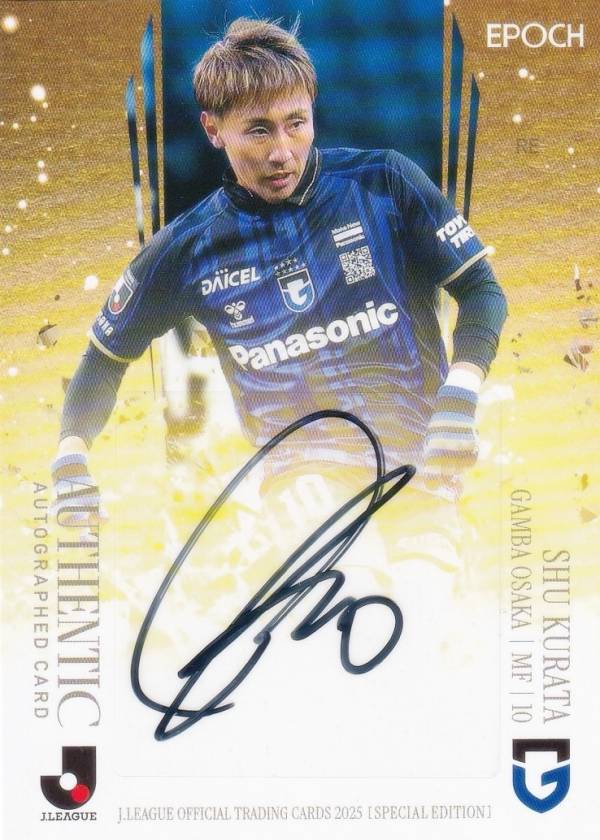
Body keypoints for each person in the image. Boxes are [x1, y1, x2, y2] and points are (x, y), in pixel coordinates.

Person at [52, 16, 507, 584]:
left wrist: (461, 394)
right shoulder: (188, 248)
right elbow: (103, 358)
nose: (282, 152)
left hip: (420, 472)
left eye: (297, 123)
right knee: (362, 595)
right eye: (259, 131)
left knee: (421, 613)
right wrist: (71, 454)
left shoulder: (384, 184)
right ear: (214, 129)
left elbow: (482, 291)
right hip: (303, 478)